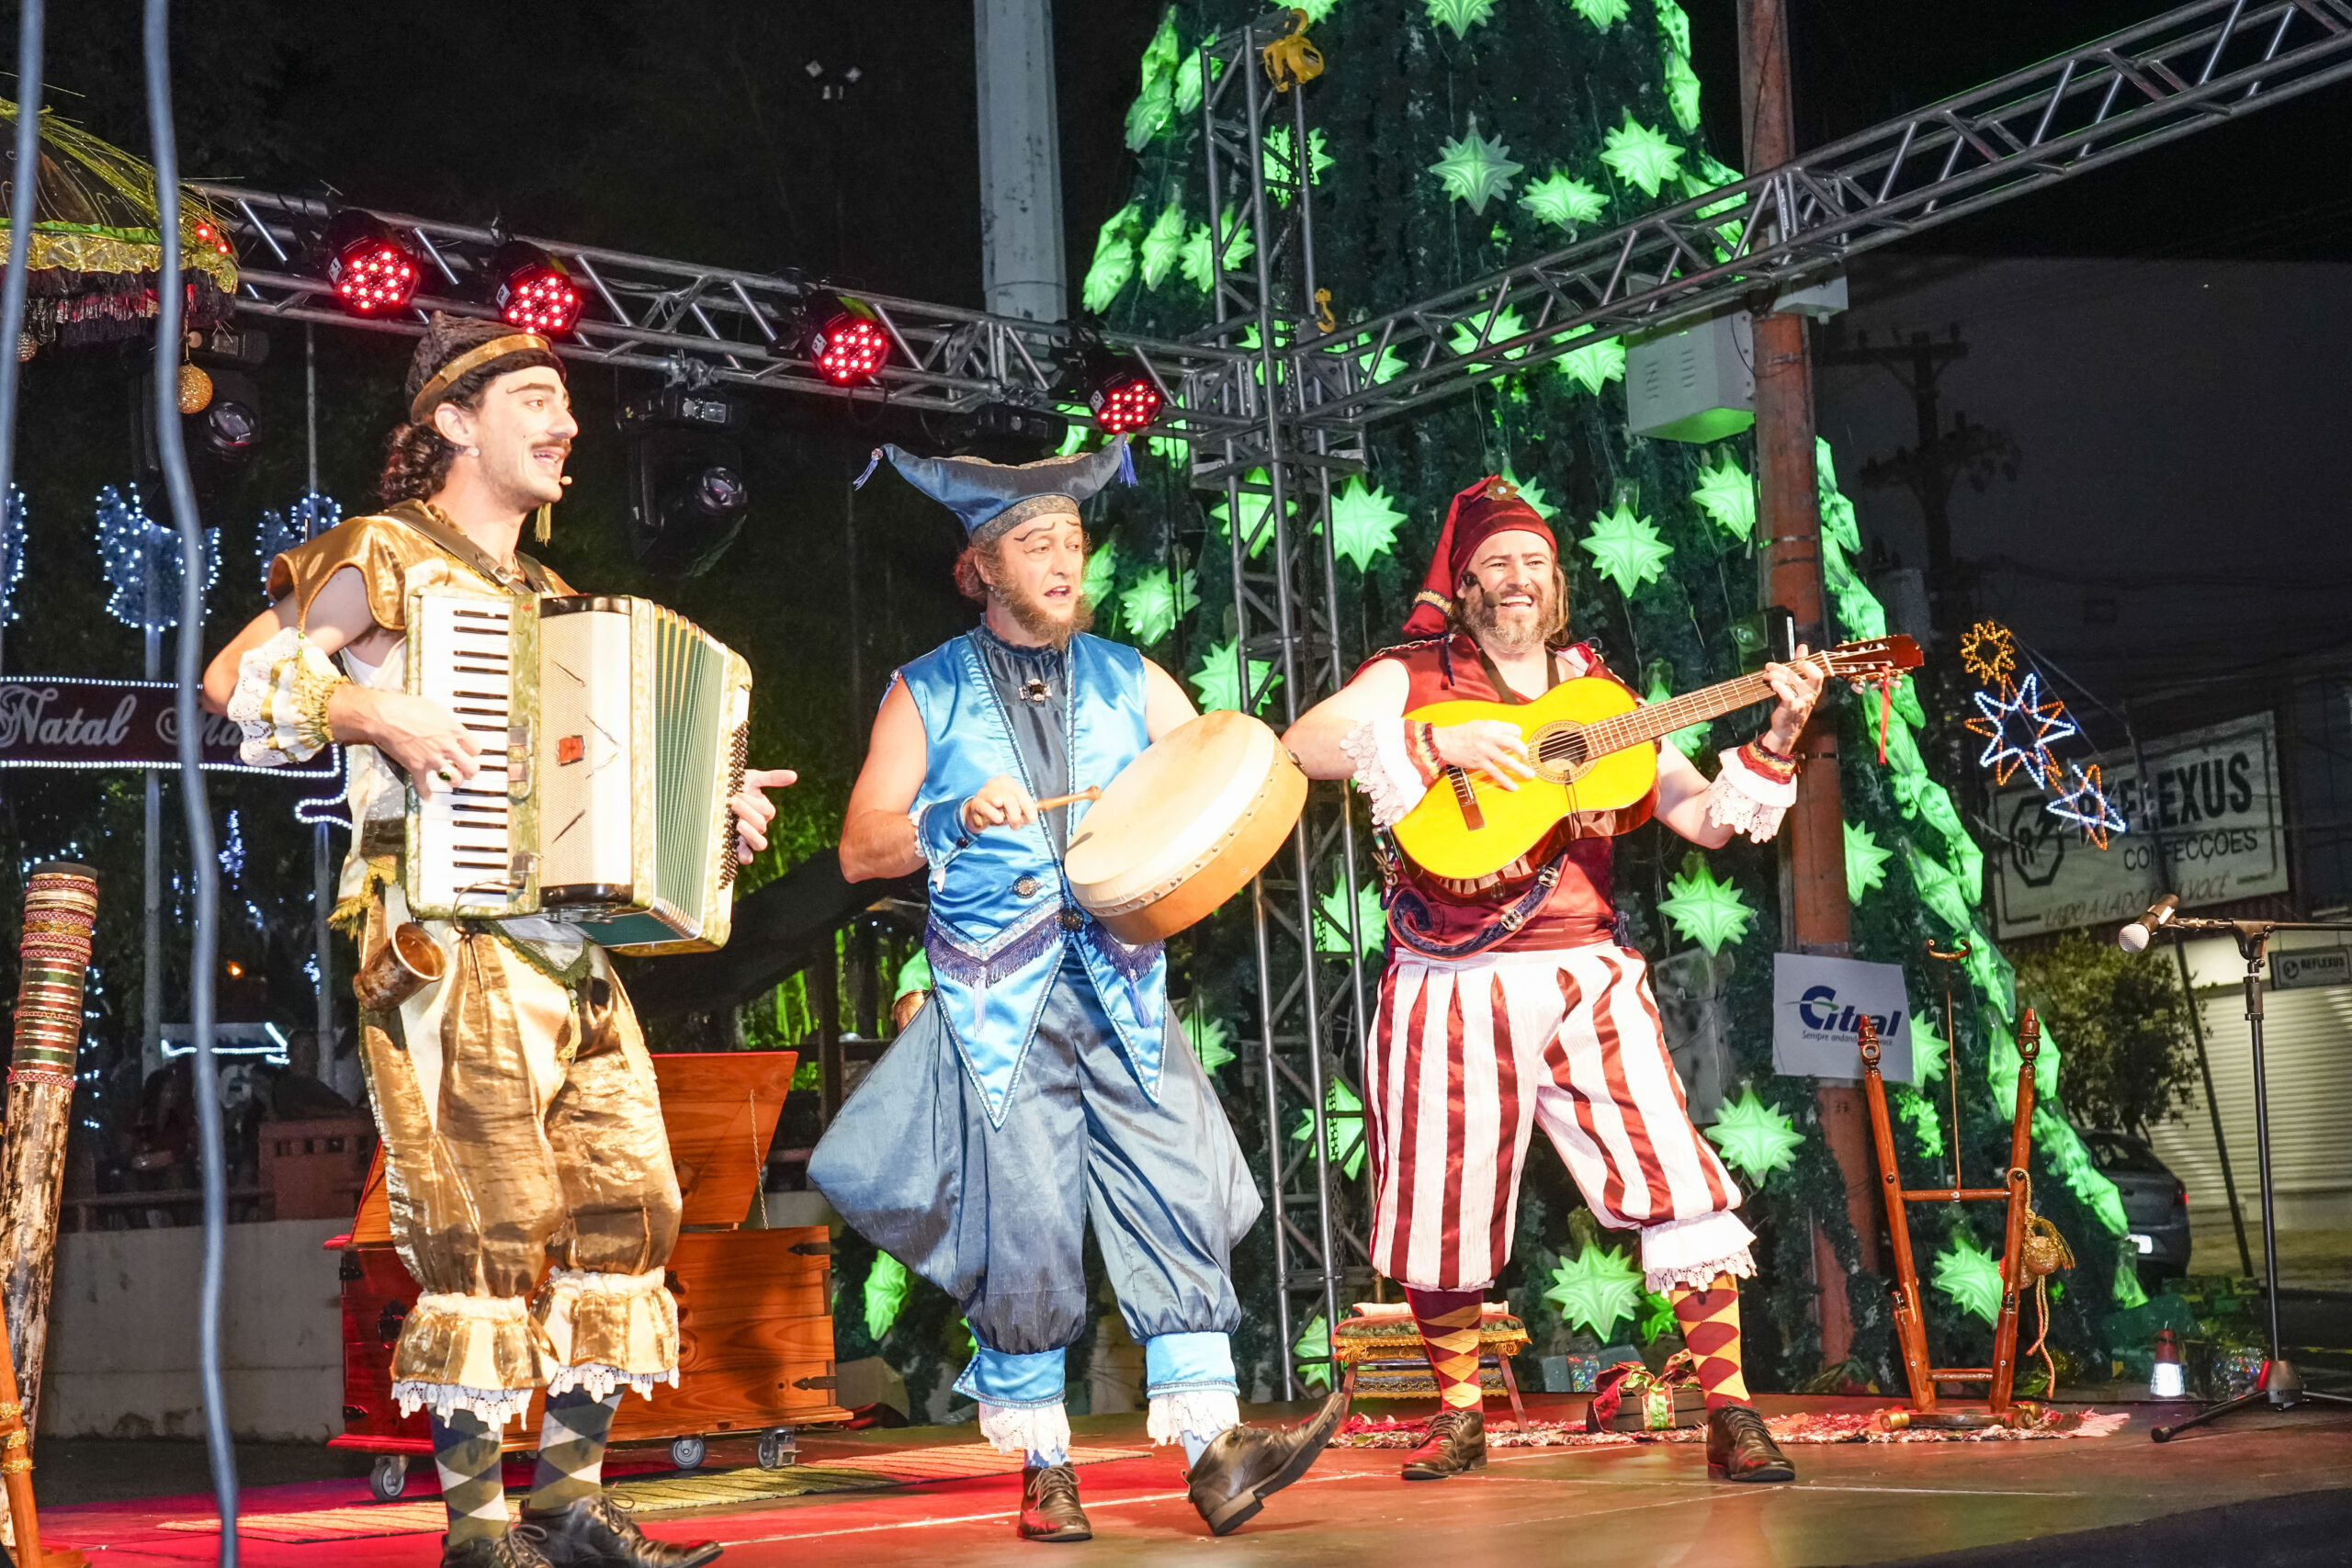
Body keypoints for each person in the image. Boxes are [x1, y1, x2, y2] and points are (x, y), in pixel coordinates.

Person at [203, 314, 793, 1568]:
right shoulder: (385, 555)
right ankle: (478, 1531)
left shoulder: (556, 603)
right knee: (485, 1222)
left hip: (565, 947)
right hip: (441, 932)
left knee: (632, 1203)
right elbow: (232, 681)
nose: (563, 420)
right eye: (534, 394)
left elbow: (621, 807)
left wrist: (713, 815)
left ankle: (569, 1504)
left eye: (565, 400)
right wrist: (371, 705)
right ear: (453, 423)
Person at [813, 437, 1348, 1543]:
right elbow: (861, 848)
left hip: (1123, 981)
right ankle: (1044, 1464)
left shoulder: (1132, 677)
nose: (1064, 560)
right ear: (981, 568)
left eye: (1072, 540)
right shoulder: (926, 693)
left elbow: (1210, 792)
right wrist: (949, 820)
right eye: (1034, 543)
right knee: (1031, 1229)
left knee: (1179, 1192)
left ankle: (1215, 1451)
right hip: (997, 999)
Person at [1281, 475, 1826, 1485]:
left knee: (1677, 1178)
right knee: (1441, 1210)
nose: (1517, 579)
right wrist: (1434, 739)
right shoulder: (1411, 674)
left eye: (1534, 561)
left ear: (1557, 581)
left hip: (1584, 971)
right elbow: (1303, 743)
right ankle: (1456, 1414)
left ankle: (1732, 1413)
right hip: (1445, 981)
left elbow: (1706, 817)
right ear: (1468, 583)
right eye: (1496, 564)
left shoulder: (1601, 694)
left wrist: (1780, 735)